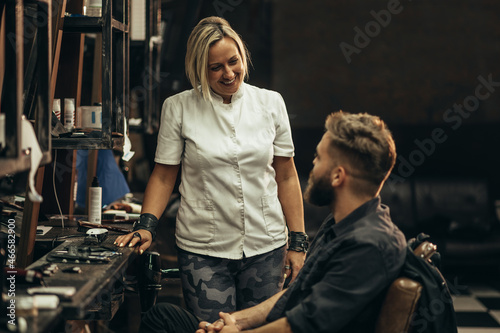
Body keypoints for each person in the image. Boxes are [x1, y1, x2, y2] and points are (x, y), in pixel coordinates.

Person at [137, 111, 407, 333]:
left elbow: (305, 325)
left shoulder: (370, 246)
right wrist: (234, 322)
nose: (312, 167)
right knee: (164, 317)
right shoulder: (341, 225)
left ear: (338, 176)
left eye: (319, 158)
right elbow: (296, 294)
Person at [114, 16, 306, 321]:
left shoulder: (271, 104)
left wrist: (298, 240)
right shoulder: (178, 107)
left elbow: (286, 175)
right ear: (199, 69)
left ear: (243, 57)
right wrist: (146, 225)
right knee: (213, 329)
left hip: (266, 246)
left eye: (234, 61)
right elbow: (164, 175)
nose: (228, 73)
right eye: (215, 67)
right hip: (203, 250)